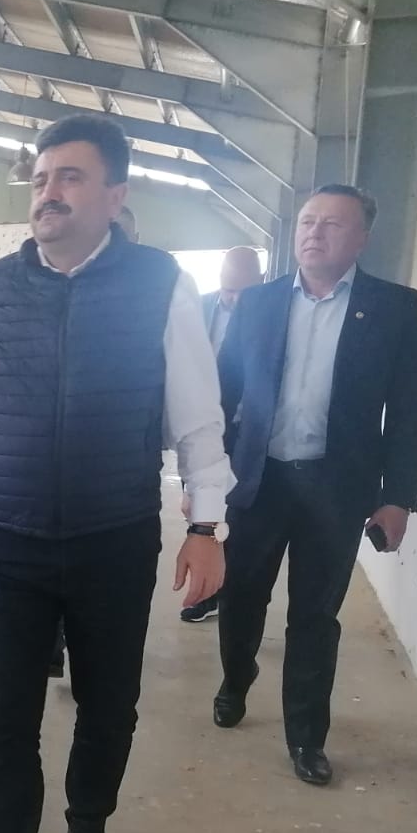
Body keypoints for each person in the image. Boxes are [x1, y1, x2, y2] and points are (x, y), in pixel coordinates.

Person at [0, 115, 232, 833]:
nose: (48, 193)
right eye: (40, 179)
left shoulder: (160, 285)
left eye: (69, 177)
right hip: (8, 540)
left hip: (113, 537)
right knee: (4, 722)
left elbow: (198, 417)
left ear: (114, 194)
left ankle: (87, 822)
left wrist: (206, 526)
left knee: (108, 702)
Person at [212, 185, 417, 788]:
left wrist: (397, 497)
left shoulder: (394, 308)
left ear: (361, 238)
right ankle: (236, 678)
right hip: (260, 480)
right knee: (241, 596)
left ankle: (306, 736)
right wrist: (205, 475)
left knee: (314, 616)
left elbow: (409, 412)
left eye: (332, 224)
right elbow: (223, 390)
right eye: (308, 221)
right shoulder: (257, 303)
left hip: (337, 489)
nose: (314, 232)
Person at [181, 245, 265, 624]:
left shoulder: (270, 312)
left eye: (244, 291)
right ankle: (205, 592)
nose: (234, 299)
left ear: (261, 281)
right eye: (228, 289)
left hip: (251, 435)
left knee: (238, 518)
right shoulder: (198, 309)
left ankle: (223, 590)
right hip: (204, 428)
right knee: (201, 514)